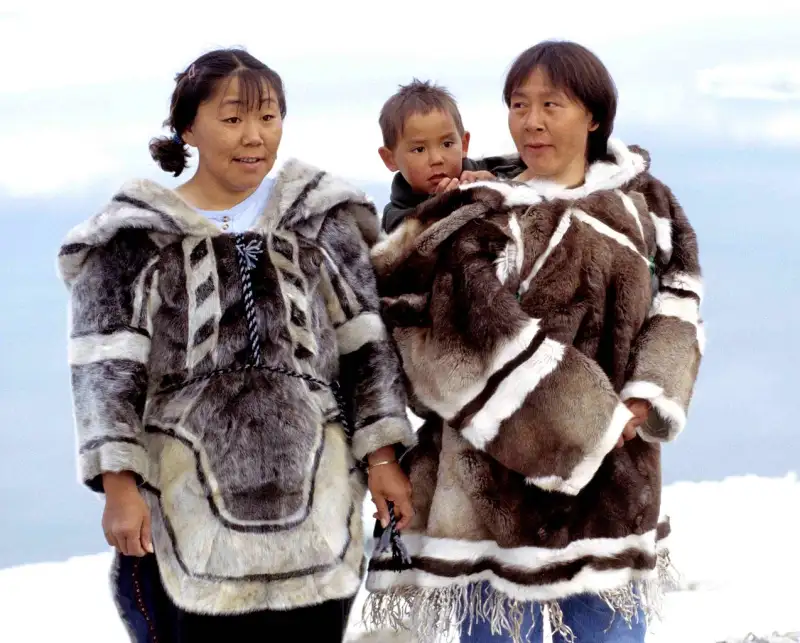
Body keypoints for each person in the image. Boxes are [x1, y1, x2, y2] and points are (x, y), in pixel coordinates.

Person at [57, 47, 416, 643]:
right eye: (232, 119)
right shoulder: (135, 236)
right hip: (184, 513)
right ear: (188, 127)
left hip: (318, 515)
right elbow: (104, 371)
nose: (254, 136)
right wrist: (119, 488)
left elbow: (365, 349)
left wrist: (382, 459)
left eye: (269, 117)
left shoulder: (319, 219)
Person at [361, 40, 704, 643]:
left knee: (611, 634)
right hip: (488, 489)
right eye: (519, 104)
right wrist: (591, 420)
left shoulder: (644, 203)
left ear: (594, 115)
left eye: (553, 103)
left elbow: (679, 303)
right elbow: (437, 348)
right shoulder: (476, 214)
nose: (532, 120)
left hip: (613, 485)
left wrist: (647, 398)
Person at [377, 79, 524, 235]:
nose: (436, 159)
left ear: (464, 144)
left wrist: (497, 184)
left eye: (447, 144)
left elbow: (533, 180)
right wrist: (436, 209)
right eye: (419, 149)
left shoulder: (489, 172)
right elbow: (407, 249)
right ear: (390, 159)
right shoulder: (395, 217)